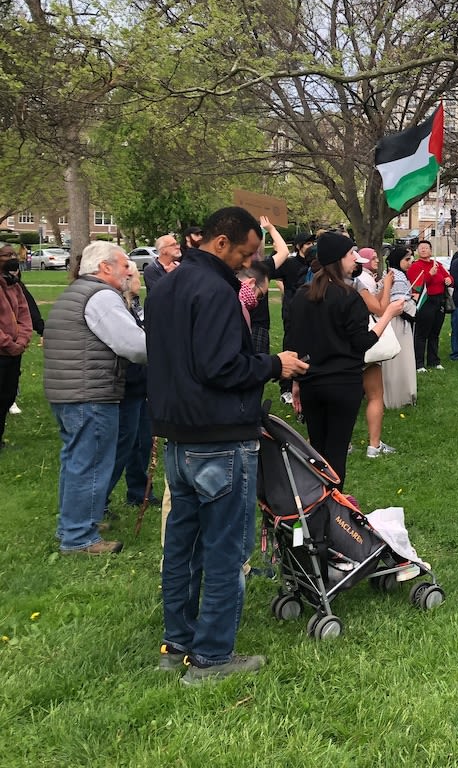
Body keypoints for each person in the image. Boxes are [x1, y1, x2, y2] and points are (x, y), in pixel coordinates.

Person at [147, 207, 308, 683]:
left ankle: (177, 643)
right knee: (221, 549)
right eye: (246, 252)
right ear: (221, 242)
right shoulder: (214, 290)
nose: (249, 261)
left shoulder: (166, 285)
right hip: (218, 437)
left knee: (182, 545)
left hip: (179, 436)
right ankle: (212, 657)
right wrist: (274, 364)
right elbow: (222, 367)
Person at [44, 242, 147, 555]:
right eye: (123, 265)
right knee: (89, 463)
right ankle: (78, 537)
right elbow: (135, 346)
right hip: (89, 393)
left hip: (70, 391)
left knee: (76, 460)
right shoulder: (101, 296)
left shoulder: (77, 291)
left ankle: (76, 523)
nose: (128, 271)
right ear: (105, 267)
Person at [286, 232, 403, 486]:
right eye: (351, 253)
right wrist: (388, 315)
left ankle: (319, 507)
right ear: (337, 260)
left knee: (318, 451)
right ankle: (332, 510)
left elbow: (294, 344)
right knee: (336, 455)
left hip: (311, 383)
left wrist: (296, 382)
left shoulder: (302, 296)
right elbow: (362, 342)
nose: (355, 259)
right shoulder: (348, 297)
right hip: (342, 384)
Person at [106, 260, 155, 509]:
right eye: (136, 275)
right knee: (123, 445)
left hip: (142, 384)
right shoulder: (119, 308)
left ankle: (139, 491)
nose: (139, 280)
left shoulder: (136, 306)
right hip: (127, 385)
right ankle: (99, 501)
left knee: (142, 442)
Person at [354, 247, 398, 458]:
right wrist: (388, 286)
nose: (375, 260)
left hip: (345, 345)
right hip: (362, 341)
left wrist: (382, 287)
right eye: (370, 258)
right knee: (374, 395)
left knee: (351, 396)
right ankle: (374, 445)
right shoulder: (358, 280)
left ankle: (345, 442)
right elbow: (380, 309)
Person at [272, 231, 314, 405]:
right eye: (308, 243)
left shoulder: (315, 263)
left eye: (313, 243)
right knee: (291, 346)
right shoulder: (289, 264)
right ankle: (286, 388)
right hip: (292, 312)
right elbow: (274, 275)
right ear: (299, 246)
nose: (311, 246)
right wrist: (285, 293)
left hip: (311, 311)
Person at [0, 242, 33, 449]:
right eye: (6, 255)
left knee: (7, 395)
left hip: (14, 351)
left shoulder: (14, 285)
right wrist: (7, 343)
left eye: (14, 254)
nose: (12, 258)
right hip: (3, 350)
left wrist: (21, 340)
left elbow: (24, 313)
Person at [381, 247, 419, 408]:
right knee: (398, 358)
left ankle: (401, 394)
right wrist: (413, 305)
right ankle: (399, 396)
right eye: (407, 259)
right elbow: (398, 304)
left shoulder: (395, 274)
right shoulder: (396, 276)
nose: (410, 262)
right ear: (398, 260)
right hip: (396, 322)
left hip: (397, 322)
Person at [408, 239, 451, 370]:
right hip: (425, 301)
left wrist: (449, 279)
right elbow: (416, 284)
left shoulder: (437, 264)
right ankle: (419, 363)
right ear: (417, 251)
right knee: (422, 333)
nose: (423, 249)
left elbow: (448, 276)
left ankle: (433, 360)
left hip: (439, 300)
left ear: (431, 250)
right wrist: (430, 274)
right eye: (421, 247)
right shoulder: (415, 266)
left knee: (435, 332)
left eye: (426, 247)